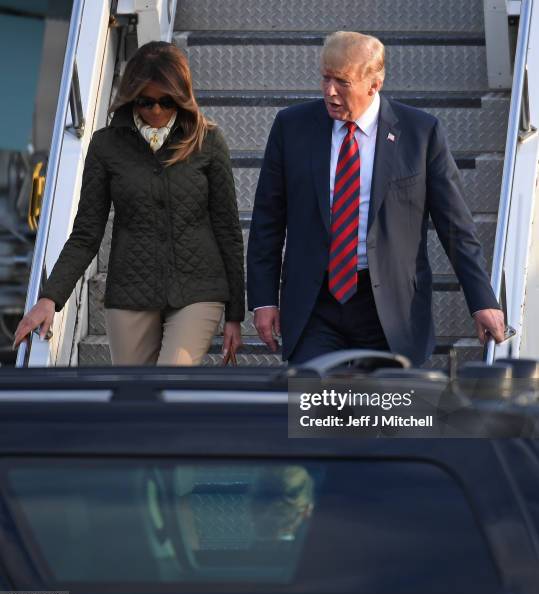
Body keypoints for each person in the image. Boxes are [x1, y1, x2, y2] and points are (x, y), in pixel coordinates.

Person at [247, 31, 505, 366]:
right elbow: (268, 218)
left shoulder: (420, 133)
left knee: (387, 414)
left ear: (374, 84)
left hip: (391, 308)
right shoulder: (291, 126)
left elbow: (455, 225)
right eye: (325, 78)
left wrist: (482, 299)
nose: (329, 91)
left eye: (342, 81)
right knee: (313, 412)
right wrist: (264, 299)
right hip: (315, 304)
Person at [14, 41, 244, 365]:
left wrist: (235, 314)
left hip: (198, 288)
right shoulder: (106, 145)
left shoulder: (208, 141)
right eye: (146, 102)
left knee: (168, 381)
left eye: (167, 101)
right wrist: (50, 298)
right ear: (131, 97)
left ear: (182, 96)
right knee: (135, 398)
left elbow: (228, 230)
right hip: (130, 291)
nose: (157, 111)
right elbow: (86, 234)